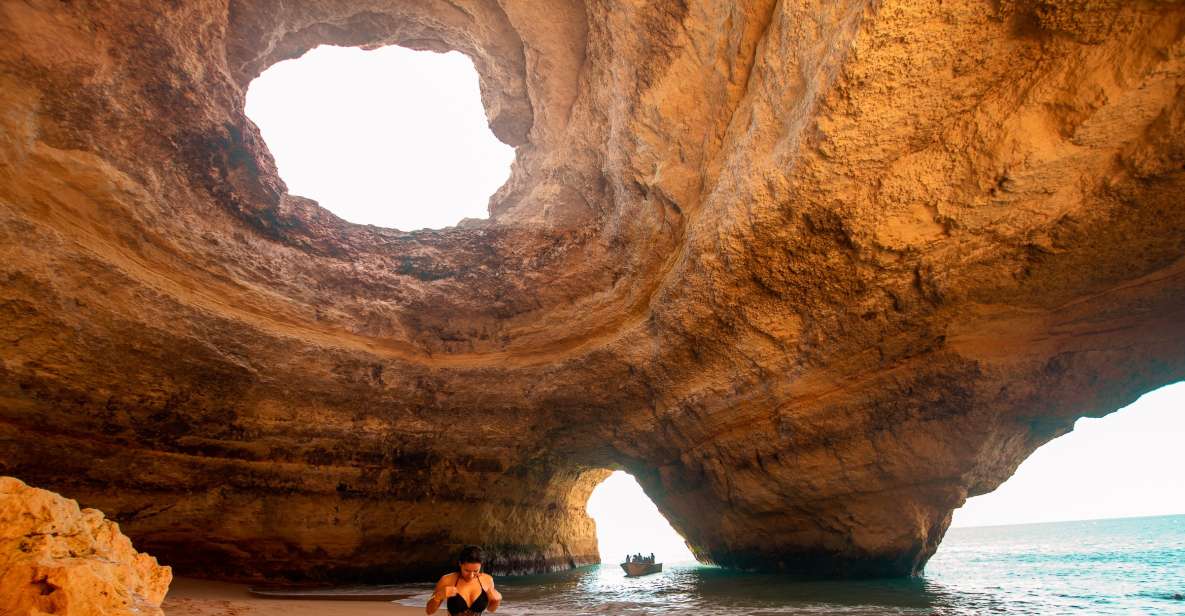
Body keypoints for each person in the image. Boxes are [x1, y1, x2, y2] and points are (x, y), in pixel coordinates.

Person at [426, 545, 502, 615]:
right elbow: (429, 611)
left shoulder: (487, 580)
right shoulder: (447, 579)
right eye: (467, 570)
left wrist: (496, 601)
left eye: (476, 571)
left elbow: (491, 609)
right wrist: (438, 597)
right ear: (460, 564)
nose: (471, 575)